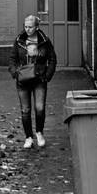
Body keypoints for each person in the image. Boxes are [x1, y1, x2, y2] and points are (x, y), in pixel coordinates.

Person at [9, 14, 57, 149]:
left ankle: (39, 133)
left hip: (39, 80)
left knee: (40, 108)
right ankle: (28, 137)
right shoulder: (19, 40)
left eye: (30, 27)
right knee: (25, 110)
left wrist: (47, 76)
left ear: (36, 27)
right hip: (23, 80)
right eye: (25, 27)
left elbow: (52, 59)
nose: (27, 29)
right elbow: (12, 59)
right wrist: (15, 73)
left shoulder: (44, 41)